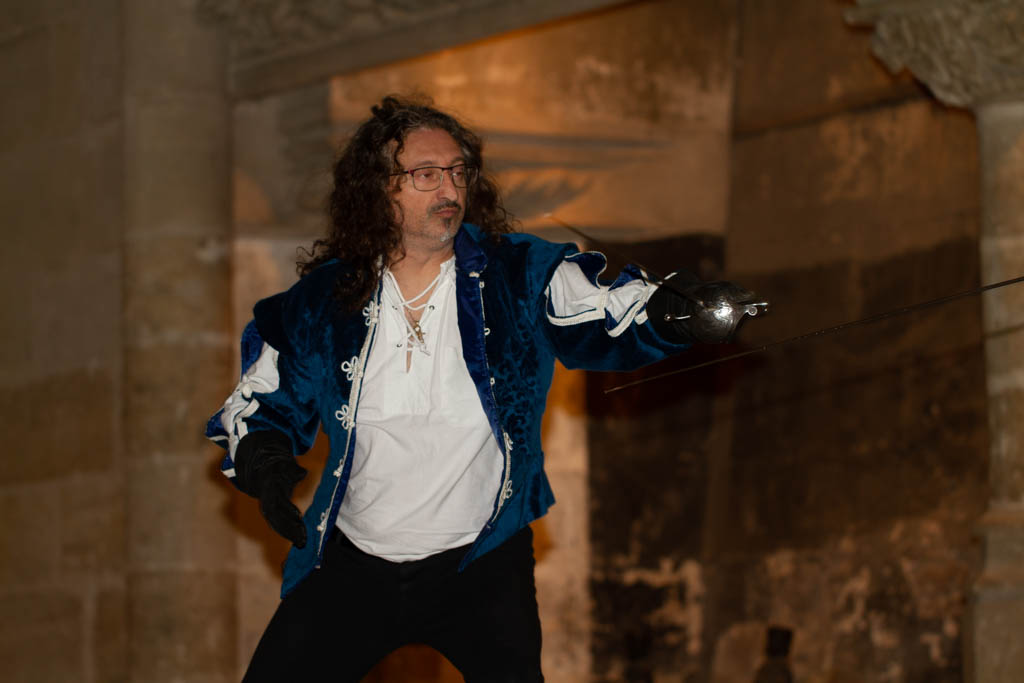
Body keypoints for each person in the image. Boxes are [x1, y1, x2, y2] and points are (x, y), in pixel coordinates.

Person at [206, 95, 755, 682]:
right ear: (378, 189)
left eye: (458, 172)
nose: (449, 189)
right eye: (426, 174)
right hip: (352, 562)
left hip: (480, 563)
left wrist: (675, 312)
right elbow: (262, 400)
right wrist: (264, 461)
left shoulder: (518, 275)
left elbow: (601, 309)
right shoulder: (324, 301)